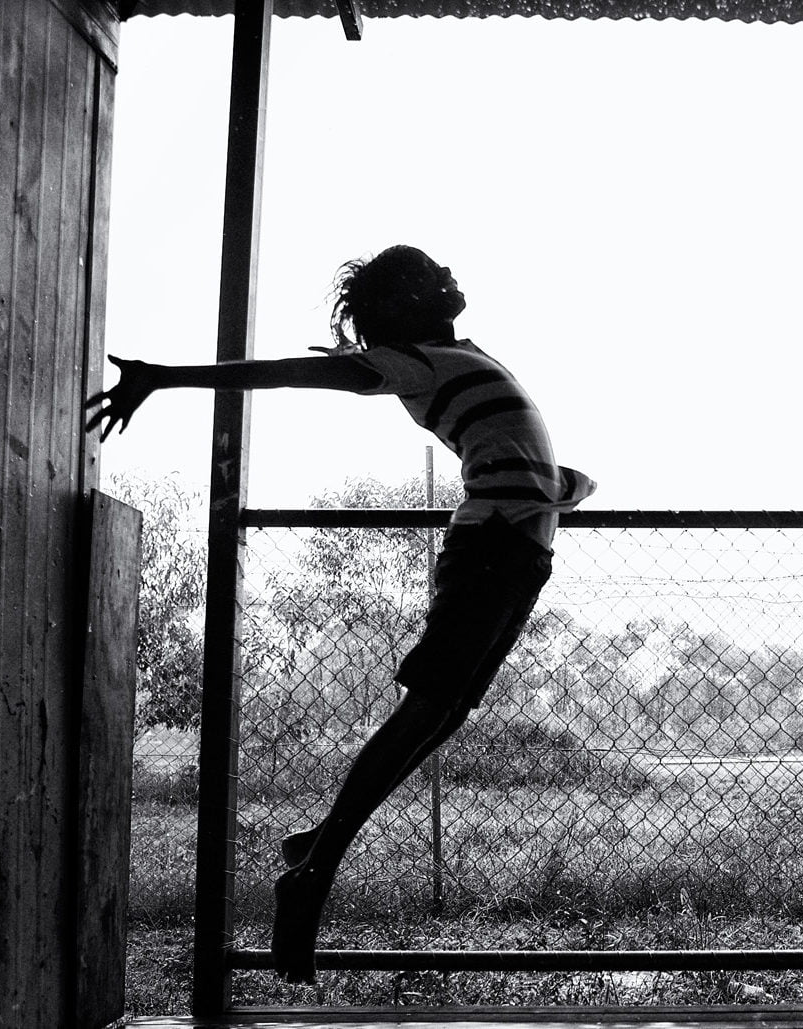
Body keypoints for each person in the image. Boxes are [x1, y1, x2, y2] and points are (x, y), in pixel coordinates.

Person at [85, 245, 595, 984]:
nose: (449, 275)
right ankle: (314, 871)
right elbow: (295, 374)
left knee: (445, 713)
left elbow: (507, 440)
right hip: (491, 548)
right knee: (426, 709)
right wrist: (165, 377)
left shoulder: (458, 354)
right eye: (430, 274)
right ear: (407, 305)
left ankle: (316, 840)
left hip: (521, 552)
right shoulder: (412, 361)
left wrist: (555, 482)